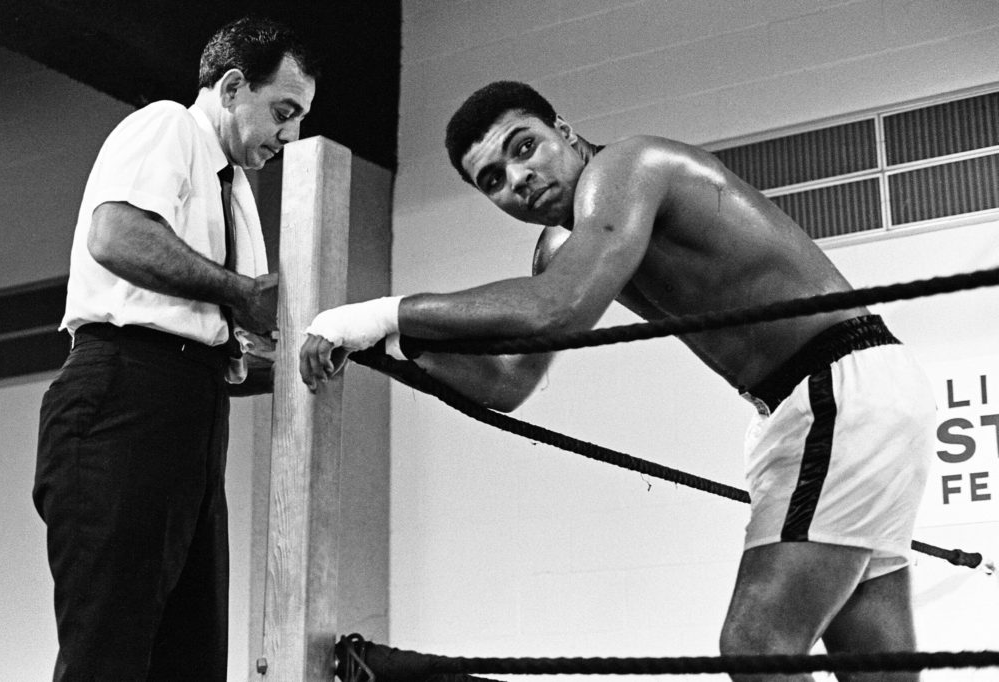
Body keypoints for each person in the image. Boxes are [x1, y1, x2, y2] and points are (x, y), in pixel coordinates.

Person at [300, 80, 936, 680]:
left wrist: (378, 311)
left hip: (837, 384)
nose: (519, 179)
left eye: (525, 148)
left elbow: (559, 305)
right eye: (493, 180)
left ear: (565, 131)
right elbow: (507, 384)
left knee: (757, 645)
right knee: (874, 662)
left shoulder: (629, 166)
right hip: (826, 398)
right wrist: (398, 342)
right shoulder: (561, 248)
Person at [33, 16, 318, 681]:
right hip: (124, 398)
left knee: (190, 662)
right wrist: (242, 292)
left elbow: (218, 341)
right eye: (283, 111)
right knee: (112, 653)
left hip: (194, 414)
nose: (291, 134)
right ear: (231, 85)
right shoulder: (168, 127)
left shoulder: (239, 195)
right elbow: (117, 236)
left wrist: (315, 358)